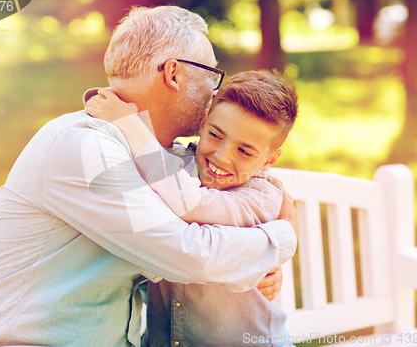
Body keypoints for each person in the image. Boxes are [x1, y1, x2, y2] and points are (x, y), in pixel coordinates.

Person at [0, 6, 297, 347]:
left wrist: (254, 256)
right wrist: (281, 239)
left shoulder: (155, 156)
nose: (213, 91)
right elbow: (190, 255)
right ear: (174, 74)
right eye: (211, 73)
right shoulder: (87, 149)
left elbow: (215, 209)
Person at [85, 70, 298, 346]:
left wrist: (129, 124)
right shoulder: (176, 162)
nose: (221, 156)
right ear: (203, 122)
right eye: (215, 135)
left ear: (269, 160)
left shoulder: (263, 196)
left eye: (244, 152)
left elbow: (191, 203)